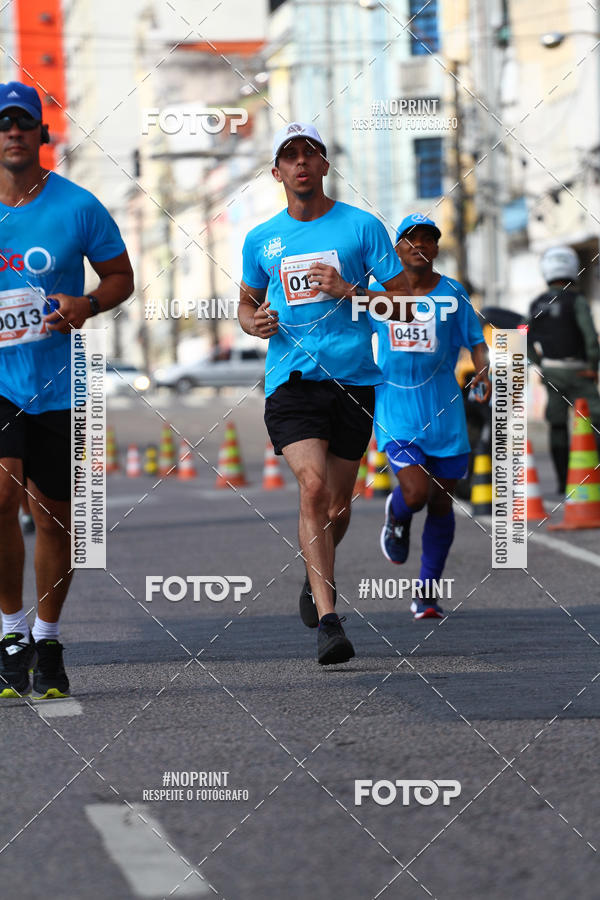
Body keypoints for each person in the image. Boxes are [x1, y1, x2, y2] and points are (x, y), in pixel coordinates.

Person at [238, 122, 405, 664]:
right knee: (311, 489)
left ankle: (316, 578)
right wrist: (253, 322)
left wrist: (352, 291)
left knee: (336, 505)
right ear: (277, 172)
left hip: (355, 381)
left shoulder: (361, 227)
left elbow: (402, 303)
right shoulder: (261, 239)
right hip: (291, 381)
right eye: (290, 156)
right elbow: (245, 304)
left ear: (326, 166)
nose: (302, 163)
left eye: (311, 154)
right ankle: (330, 621)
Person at [0, 81, 133, 698]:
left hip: (60, 384)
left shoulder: (78, 206)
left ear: (41, 135)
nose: (13, 132)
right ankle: (9, 632)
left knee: (55, 521)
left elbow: (120, 275)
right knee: (0, 500)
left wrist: (87, 303)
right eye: (3, 124)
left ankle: (47, 639)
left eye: (24, 122)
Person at [370, 214, 490, 618]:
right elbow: (346, 327)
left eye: (428, 239)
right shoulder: (378, 295)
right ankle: (398, 512)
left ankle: (426, 593)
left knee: (441, 503)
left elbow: (477, 344)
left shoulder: (453, 294)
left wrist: (484, 370)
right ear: (398, 248)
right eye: (411, 239)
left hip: (445, 413)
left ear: (437, 248)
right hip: (396, 411)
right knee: (416, 492)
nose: (420, 245)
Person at [526, 245, 600, 494]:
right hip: (580, 372)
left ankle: (562, 484)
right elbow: (590, 336)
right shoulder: (576, 300)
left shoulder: (537, 303)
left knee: (557, 425)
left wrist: (539, 363)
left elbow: (523, 337)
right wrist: (593, 365)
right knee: (594, 421)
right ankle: (593, 477)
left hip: (552, 372)